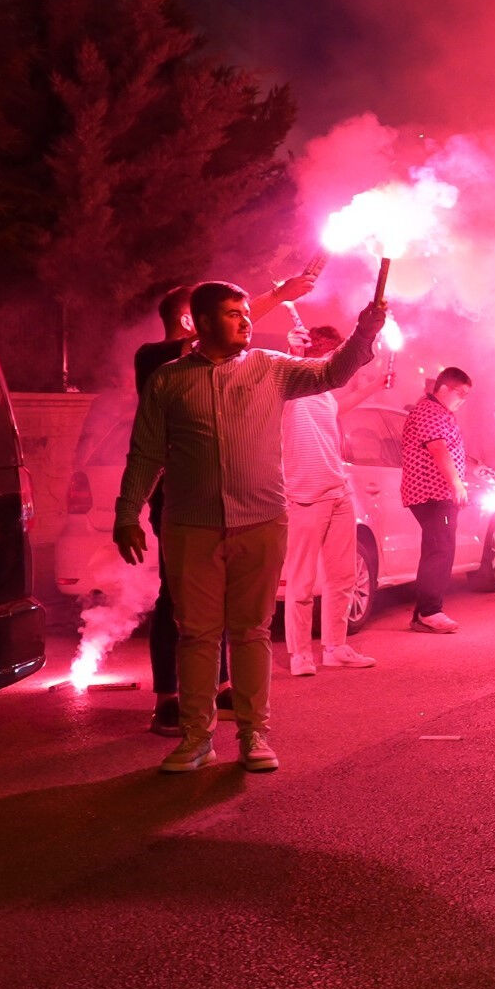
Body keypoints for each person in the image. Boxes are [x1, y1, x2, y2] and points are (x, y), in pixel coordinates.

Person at [114, 281, 383, 773]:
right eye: (233, 313)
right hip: (190, 526)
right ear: (200, 322)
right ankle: (196, 738)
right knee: (195, 634)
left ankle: (254, 734)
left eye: (245, 312)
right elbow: (146, 453)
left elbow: (331, 372)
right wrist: (126, 512)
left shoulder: (269, 368)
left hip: (260, 520)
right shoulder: (169, 380)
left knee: (251, 632)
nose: (246, 320)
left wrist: (363, 334)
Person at [133, 274, 314, 734]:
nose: (241, 321)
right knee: (179, 599)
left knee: (226, 601)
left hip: (234, 506)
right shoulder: (157, 360)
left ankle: (220, 687)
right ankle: (168, 698)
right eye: (227, 314)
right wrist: (279, 296)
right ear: (190, 319)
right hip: (181, 503)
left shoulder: (232, 365)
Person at [280, 323, 389, 674]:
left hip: (339, 492)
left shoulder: (325, 394)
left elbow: (345, 403)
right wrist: (294, 350)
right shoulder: (292, 385)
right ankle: (299, 654)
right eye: (332, 356)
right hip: (305, 495)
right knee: (301, 581)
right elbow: (289, 367)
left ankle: (335, 647)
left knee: (342, 576)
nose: (337, 364)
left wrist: (375, 382)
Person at [402, 366, 474, 633]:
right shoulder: (430, 411)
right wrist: (456, 484)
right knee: (440, 549)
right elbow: (437, 447)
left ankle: (424, 612)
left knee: (437, 548)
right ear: (444, 389)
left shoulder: (441, 413)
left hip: (437, 493)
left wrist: (474, 468)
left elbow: (449, 448)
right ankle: (430, 612)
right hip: (431, 493)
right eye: (461, 393)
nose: (463, 400)